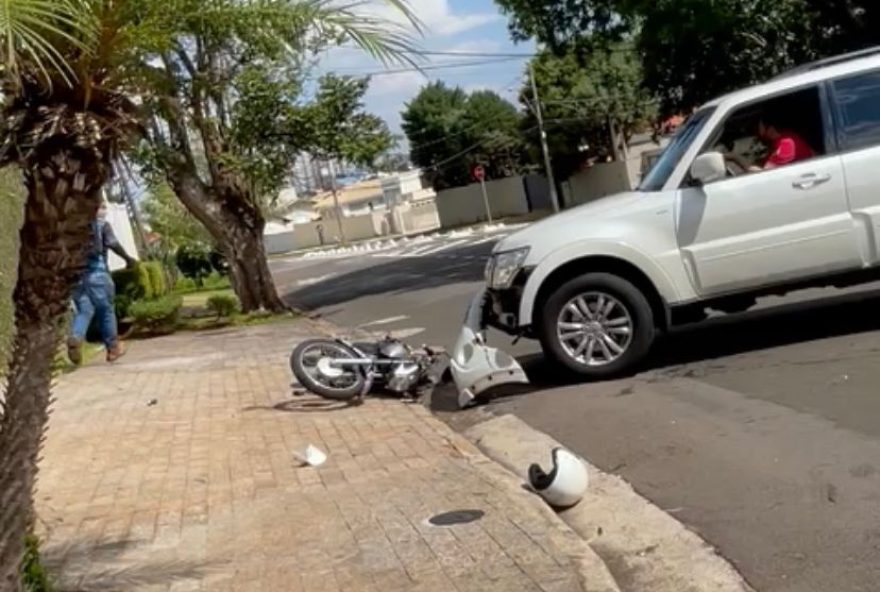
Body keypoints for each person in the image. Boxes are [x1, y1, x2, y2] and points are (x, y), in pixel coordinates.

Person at [67, 202, 137, 365]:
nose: (104, 210)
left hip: (77, 276)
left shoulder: (72, 227)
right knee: (106, 310)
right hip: (97, 273)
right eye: (102, 207)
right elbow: (112, 243)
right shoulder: (102, 225)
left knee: (84, 310)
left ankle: (76, 337)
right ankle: (113, 348)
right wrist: (128, 259)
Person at [726, 116, 816, 172]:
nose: (757, 133)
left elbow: (762, 174)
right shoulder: (784, 137)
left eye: (759, 128)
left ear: (770, 128)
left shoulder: (786, 144)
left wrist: (735, 157)